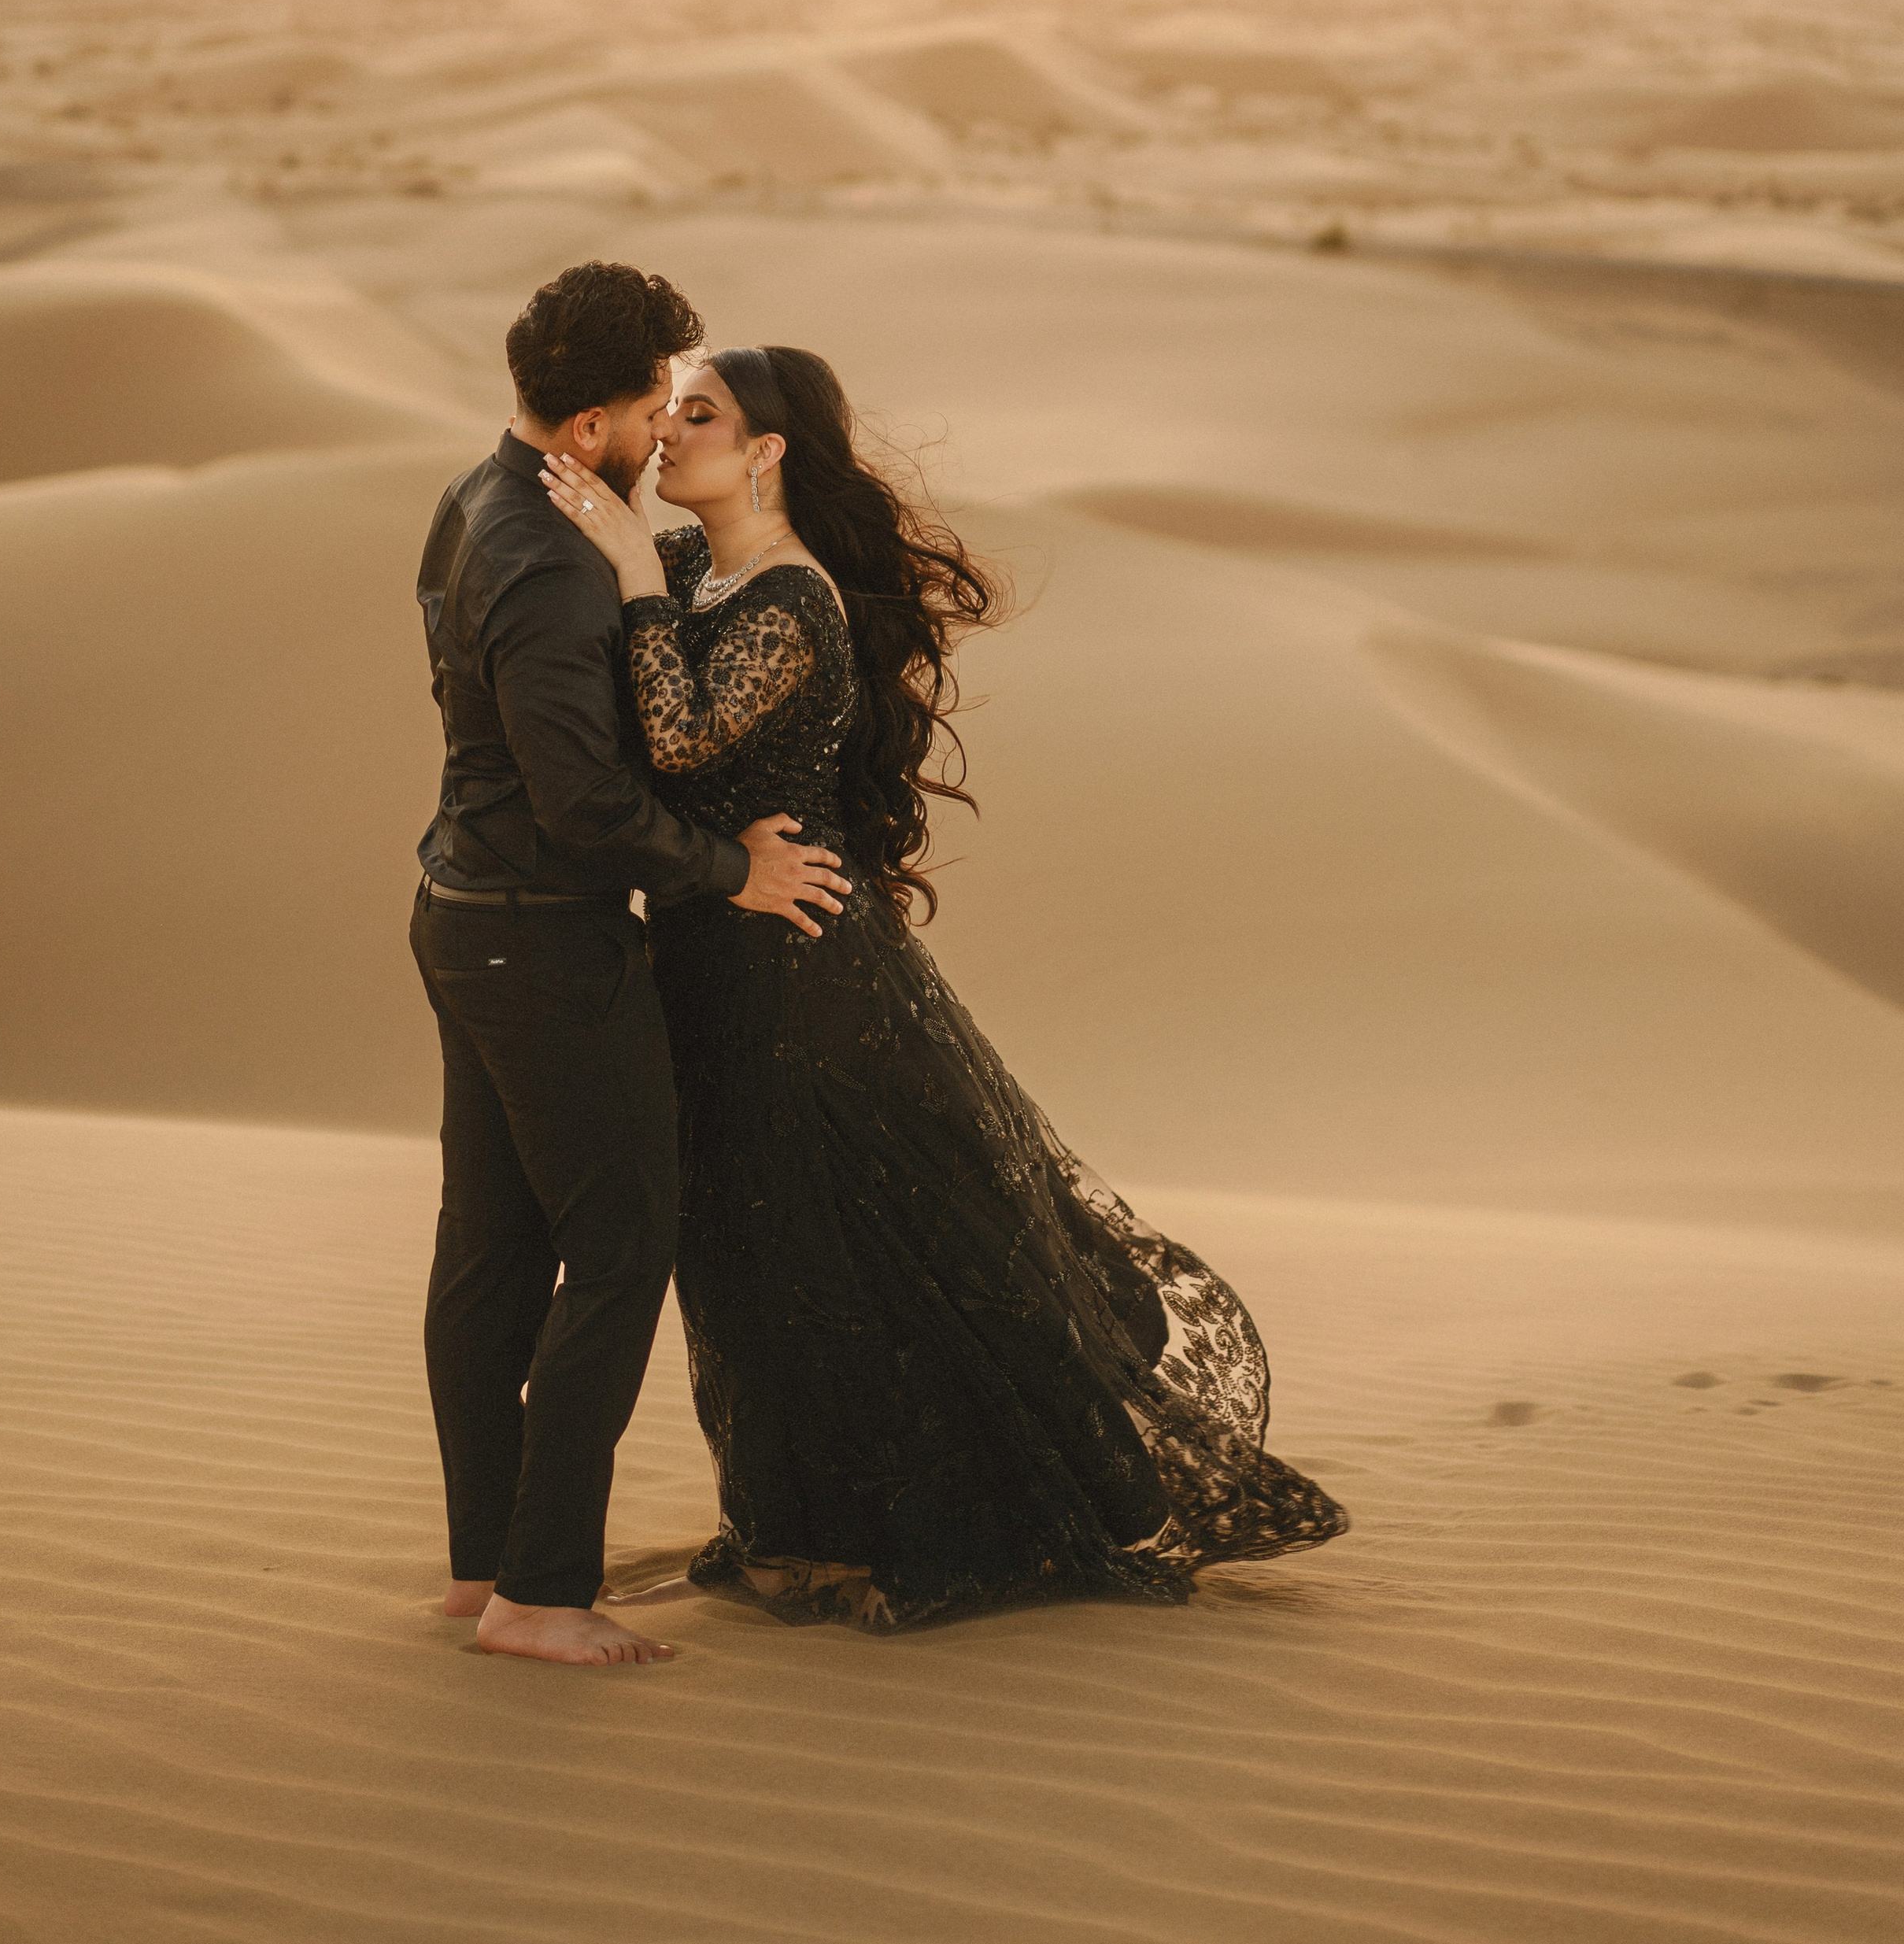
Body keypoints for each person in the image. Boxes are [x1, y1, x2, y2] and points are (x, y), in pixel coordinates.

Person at [541, 342, 1348, 1631]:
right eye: (670, 409)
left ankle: (911, 1527)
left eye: (700, 413)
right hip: (709, 959)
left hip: (799, 969)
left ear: (766, 451)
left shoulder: (791, 600)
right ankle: (788, 1526)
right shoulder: (698, 566)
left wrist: (634, 573)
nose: (672, 431)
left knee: (827, 1244)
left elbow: (679, 736)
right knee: (741, 1248)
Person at [410, 265, 849, 1668]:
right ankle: (542, 1591)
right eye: (655, 403)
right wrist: (733, 869)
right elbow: (588, 803)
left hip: (468, 909)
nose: (665, 425)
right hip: (541, 933)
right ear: (592, 424)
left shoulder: (474, 498)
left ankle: (486, 1569)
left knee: (491, 1252)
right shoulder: (551, 561)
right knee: (617, 1246)